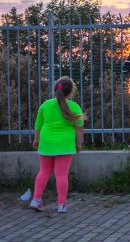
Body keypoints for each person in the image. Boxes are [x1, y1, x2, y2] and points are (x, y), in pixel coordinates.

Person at [30, 76, 85, 213]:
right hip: (65, 145)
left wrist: (36, 140)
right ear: (71, 92)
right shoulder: (74, 107)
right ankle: (61, 205)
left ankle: (36, 200)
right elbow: (79, 128)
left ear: (55, 89)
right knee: (61, 175)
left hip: (46, 143)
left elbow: (38, 125)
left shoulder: (46, 105)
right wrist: (79, 144)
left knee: (44, 171)